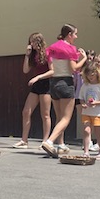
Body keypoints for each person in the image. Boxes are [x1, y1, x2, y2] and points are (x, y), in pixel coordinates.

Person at [31, 24, 87, 157]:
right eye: (75, 34)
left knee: (59, 117)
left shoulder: (52, 48)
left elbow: (51, 67)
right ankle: (49, 141)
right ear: (69, 34)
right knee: (66, 118)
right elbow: (74, 68)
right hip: (66, 83)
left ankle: (60, 144)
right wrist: (84, 58)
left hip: (54, 83)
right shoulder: (71, 48)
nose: (76, 37)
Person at [13, 32, 51, 148]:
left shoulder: (47, 53)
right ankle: (24, 140)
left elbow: (53, 71)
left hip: (46, 83)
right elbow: (25, 70)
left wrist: (38, 77)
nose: (31, 44)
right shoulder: (33, 55)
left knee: (45, 114)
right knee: (26, 112)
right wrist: (27, 55)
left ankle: (45, 141)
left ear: (38, 42)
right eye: (30, 42)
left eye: (33, 42)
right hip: (36, 85)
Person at [78, 60, 100, 160]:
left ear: (97, 74)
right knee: (86, 131)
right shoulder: (85, 85)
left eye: (92, 75)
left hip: (98, 113)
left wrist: (95, 103)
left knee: (98, 133)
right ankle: (86, 152)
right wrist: (83, 104)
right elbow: (81, 97)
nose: (90, 77)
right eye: (88, 75)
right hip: (87, 112)